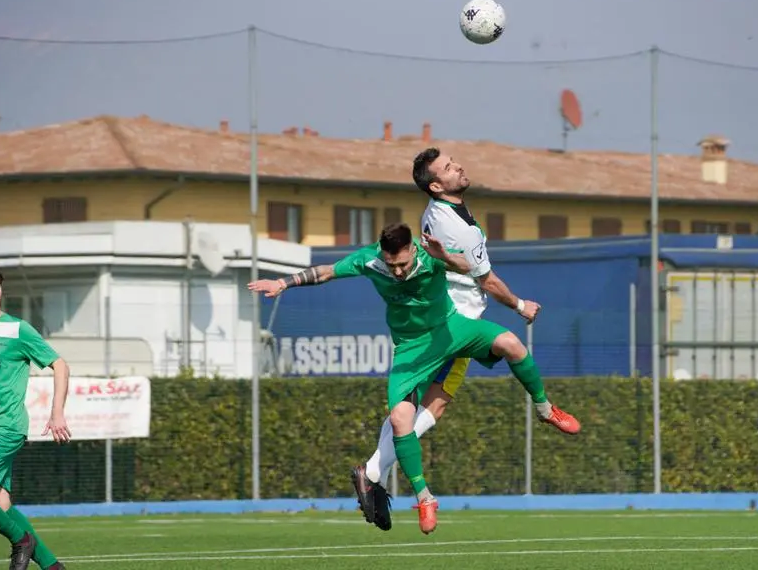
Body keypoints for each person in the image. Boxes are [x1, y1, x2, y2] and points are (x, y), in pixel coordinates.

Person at [248, 223, 579, 535]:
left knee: (510, 343)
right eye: (392, 265)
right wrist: (283, 283)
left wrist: (444, 255)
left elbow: (472, 269)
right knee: (400, 417)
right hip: (409, 349)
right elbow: (327, 272)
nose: (397, 271)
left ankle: (545, 409)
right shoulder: (370, 260)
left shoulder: (429, 257)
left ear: (411, 249)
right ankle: (424, 497)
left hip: (452, 330)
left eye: (402, 264)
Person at [351, 146, 580, 532]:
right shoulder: (458, 226)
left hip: (445, 320)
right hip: (454, 323)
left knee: (411, 410)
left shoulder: (447, 213)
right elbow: (485, 279)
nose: (458, 166)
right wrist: (520, 304)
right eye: (447, 168)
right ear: (437, 185)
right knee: (433, 406)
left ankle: (373, 472)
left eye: (453, 161)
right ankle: (372, 472)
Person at [0, 263, 71, 570]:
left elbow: (60, 365)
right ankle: (53, 567)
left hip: (6, 428)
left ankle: (22, 541)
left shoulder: (18, 329)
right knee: (1, 502)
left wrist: (56, 412)